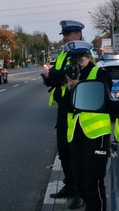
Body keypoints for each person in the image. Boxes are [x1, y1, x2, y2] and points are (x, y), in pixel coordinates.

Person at [63, 40, 115, 211]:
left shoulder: (101, 73)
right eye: (73, 60)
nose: (75, 63)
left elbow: (103, 101)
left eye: (78, 59)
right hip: (76, 133)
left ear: (87, 57)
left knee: (93, 180)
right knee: (79, 179)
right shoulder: (72, 75)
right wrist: (70, 88)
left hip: (96, 136)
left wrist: (79, 86)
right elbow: (66, 106)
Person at [41, 20, 85, 208]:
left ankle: (81, 192)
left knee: (78, 154)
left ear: (79, 35)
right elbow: (58, 74)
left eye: (69, 34)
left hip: (78, 111)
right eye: (64, 35)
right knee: (64, 151)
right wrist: (50, 79)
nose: (65, 38)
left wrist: (59, 76)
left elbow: (80, 77)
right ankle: (70, 185)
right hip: (64, 110)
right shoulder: (64, 55)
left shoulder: (84, 55)